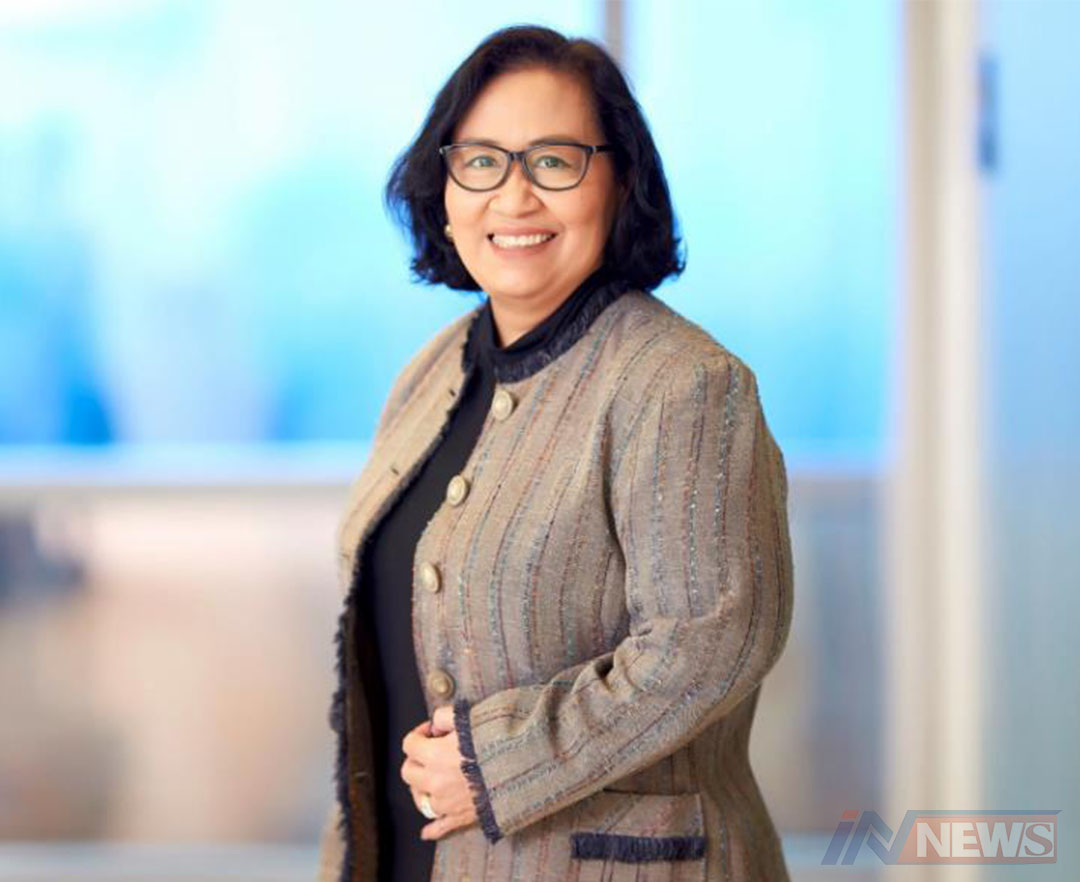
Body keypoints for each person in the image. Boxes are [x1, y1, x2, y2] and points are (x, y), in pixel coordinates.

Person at [318, 23, 794, 882]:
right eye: (481, 161)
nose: (514, 196)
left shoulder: (684, 384)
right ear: (444, 187)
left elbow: (710, 644)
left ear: (621, 182)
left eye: (554, 161)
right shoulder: (431, 370)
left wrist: (499, 765)